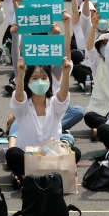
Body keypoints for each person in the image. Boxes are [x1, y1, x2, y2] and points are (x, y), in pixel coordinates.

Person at [5, 56, 75, 188]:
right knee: (12, 154)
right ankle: (38, 177)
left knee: (74, 152)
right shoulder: (23, 107)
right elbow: (18, 97)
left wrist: (65, 74)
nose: (40, 82)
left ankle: (29, 178)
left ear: (49, 82)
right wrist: (20, 74)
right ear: (28, 82)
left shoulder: (54, 104)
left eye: (44, 78)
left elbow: (63, 96)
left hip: (50, 158)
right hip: (27, 157)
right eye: (35, 78)